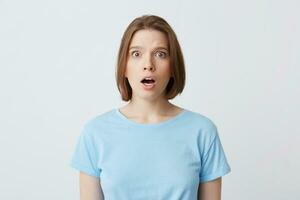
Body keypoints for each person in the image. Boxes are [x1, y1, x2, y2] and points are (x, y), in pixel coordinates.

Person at [70, 14, 231, 200]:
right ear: (124, 66)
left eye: (160, 54)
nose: (148, 65)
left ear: (173, 67)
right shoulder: (95, 133)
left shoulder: (202, 131)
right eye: (136, 54)